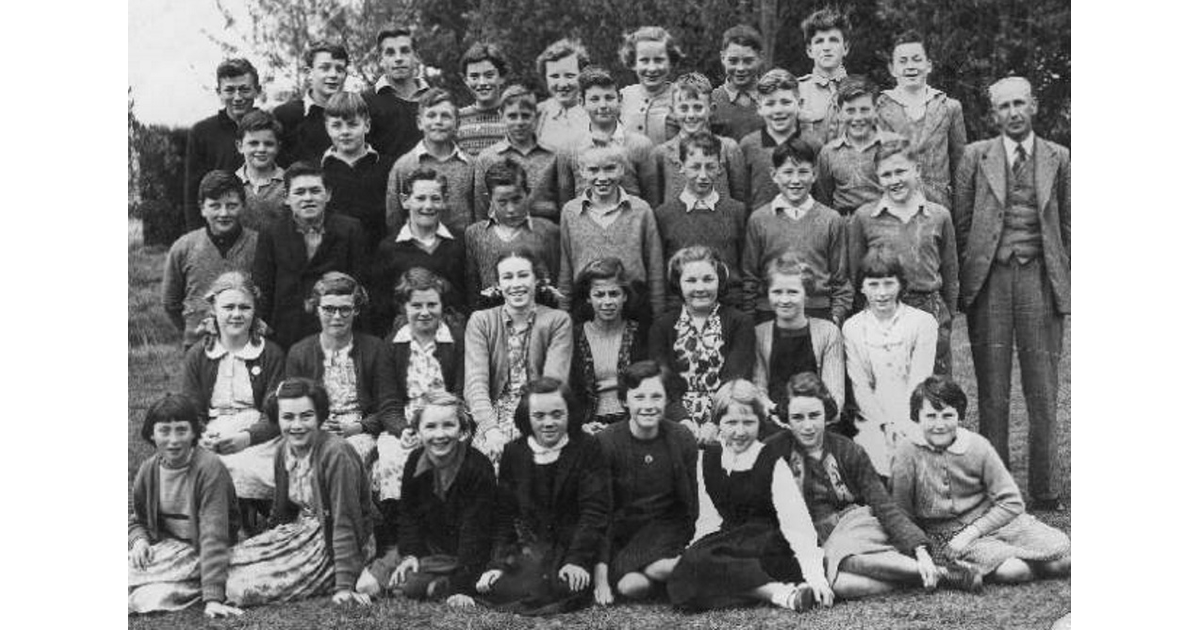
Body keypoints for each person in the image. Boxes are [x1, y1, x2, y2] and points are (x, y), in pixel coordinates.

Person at [952, 76, 1070, 511]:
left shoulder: (1060, 158)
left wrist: (1062, 277)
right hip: (992, 280)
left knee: (1043, 389)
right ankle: (997, 488)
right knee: (993, 388)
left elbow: (1070, 225)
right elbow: (964, 225)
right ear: (993, 114)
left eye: (1020, 103)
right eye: (1004, 106)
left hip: (1039, 278)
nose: (1013, 112)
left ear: (1034, 106)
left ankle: (1045, 488)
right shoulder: (974, 156)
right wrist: (975, 275)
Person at [767, 373, 984, 599]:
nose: (808, 426)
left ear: (827, 415)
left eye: (814, 415)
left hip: (857, 524)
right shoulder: (773, 453)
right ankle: (929, 577)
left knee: (844, 555)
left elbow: (883, 504)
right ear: (786, 418)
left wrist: (919, 549)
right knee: (840, 585)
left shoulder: (847, 450)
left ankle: (938, 572)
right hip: (816, 538)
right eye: (798, 418)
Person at [666, 380, 831, 612]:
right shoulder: (711, 458)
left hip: (772, 543)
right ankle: (781, 594)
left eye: (748, 422)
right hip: (732, 539)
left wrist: (816, 577)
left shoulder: (770, 460)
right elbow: (706, 519)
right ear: (718, 423)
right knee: (689, 570)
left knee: (703, 566)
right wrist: (698, 550)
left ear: (760, 423)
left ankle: (775, 591)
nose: (740, 431)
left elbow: (798, 523)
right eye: (731, 422)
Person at [892, 376, 1071, 583]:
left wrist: (972, 532)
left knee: (1062, 553)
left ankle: (1025, 561)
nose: (939, 425)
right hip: (949, 537)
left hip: (995, 524)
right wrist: (921, 551)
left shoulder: (976, 446)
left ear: (959, 416)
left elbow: (1011, 502)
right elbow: (902, 514)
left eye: (947, 416)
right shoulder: (907, 452)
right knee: (1013, 571)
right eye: (931, 416)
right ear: (917, 417)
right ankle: (1008, 563)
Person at [225, 378, 380, 606]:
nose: (296, 425)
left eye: (306, 416)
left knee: (240, 589)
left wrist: (344, 585)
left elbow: (345, 521)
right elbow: (282, 511)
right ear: (277, 420)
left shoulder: (336, 454)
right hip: (299, 533)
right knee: (224, 563)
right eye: (288, 417)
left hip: (338, 544)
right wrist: (271, 545)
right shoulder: (284, 450)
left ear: (320, 416)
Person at [475, 378, 610, 615]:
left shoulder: (588, 447)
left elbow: (594, 512)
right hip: (530, 548)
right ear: (527, 416)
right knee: (497, 585)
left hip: (574, 547)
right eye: (539, 416)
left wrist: (576, 560)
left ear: (570, 413)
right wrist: (497, 564)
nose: (548, 423)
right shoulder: (513, 452)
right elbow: (504, 516)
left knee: (565, 584)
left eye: (557, 414)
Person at [366, 391, 494, 607]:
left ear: (462, 430)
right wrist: (411, 555)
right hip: (428, 548)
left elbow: (476, 533)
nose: (439, 434)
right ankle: (429, 583)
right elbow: (408, 515)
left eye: (448, 425)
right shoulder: (415, 461)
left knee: (408, 587)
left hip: (465, 554)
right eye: (430, 427)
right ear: (418, 431)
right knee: (366, 586)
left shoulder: (477, 467)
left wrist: (463, 588)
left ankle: (445, 584)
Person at [849, 139, 958, 376]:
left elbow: (950, 274)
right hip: (883, 311)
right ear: (878, 177)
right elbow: (855, 276)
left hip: (929, 310)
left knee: (933, 389)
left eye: (901, 171)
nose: (895, 180)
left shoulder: (938, 216)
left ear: (917, 169)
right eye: (886, 174)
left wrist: (945, 315)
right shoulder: (864, 218)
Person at [128, 393, 243, 618]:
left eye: (181, 430)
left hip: (201, 550)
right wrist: (139, 541)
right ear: (151, 433)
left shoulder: (209, 468)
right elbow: (137, 521)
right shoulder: (148, 470)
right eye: (164, 431)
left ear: (194, 433)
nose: (173, 440)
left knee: (140, 588)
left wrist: (213, 598)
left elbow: (214, 535)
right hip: (167, 545)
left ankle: (200, 587)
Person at [593, 361, 698, 604]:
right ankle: (682, 580)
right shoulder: (606, 443)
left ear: (666, 400)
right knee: (632, 587)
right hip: (623, 535)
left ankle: (697, 572)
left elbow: (689, 506)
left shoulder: (682, 438)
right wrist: (600, 578)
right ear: (624, 401)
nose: (648, 405)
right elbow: (600, 513)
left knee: (661, 567)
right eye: (639, 397)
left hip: (665, 531)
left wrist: (678, 539)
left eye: (656, 397)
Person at [181, 271, 285, 510]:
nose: (236, 314)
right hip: (213, 432)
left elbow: (276, 414)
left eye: (244, 308)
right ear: (214, 309)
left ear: (254, 311)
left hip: (259, 434)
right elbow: (190, 411)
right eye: (228, 307)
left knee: (249, 467)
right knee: (196, 467)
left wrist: (246, 438)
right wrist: (201, 434)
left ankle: (253, 523)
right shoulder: (198, 355)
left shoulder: (271, 354)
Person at [465, 248, 573, 464]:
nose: (516, 284)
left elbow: (553, 383)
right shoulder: (481, 321)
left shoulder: (558, 321)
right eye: (507, 277)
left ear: (537, 280)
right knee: (485, 463)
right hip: (494, 414)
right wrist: (490, 429)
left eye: (523, 275)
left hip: (541, 412)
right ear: (498, 285)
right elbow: (475, 384)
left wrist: (533, 428)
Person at [374, 268, 465, 521]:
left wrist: (450, 421)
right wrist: (402, 429)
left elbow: (460, 390)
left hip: (449, 416)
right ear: (404, 307)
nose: (425, 312)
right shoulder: (392, 344)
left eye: (432, 304)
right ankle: (402, 528)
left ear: (442, 305)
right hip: (408, 422)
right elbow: (389, 402)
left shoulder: (457, 340)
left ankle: (448, 525)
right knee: (393, 459)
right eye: (416, 305)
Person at [284, 272, 401, 464]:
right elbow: (291, 405)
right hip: (312, 431)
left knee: (340, 456)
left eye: (345, 309)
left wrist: (355, 428)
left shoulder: (375, 349)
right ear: (317, 309)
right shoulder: (300, 352)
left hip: (359, 433)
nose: (337, 317)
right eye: (329, 309)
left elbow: (388, 407)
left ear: (356, 310)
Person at [252, 162, 368, 350]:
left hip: (336, 329)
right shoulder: (272, 232)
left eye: (315, 191)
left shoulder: (350, 229)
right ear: (287, 198)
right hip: (287, 332)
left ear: (328, 194)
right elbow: (263, 285)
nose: (308, 198)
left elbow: (360, 284)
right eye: (299, 192)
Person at [841, 248, 937, 477]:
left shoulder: (922, 323)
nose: (881, 293)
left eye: (888, 284)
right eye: (873, 285)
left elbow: (919, 380)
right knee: (875, 463)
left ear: (901, 285)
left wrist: (904, 425)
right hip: (873, 417)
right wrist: (884, 424)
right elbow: (860, 386)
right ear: (862, 287)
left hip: (915, 413)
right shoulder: (852, 328)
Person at [742, 138, 853, 325]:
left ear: (815, 174)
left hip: (818, 313)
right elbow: (750, 278)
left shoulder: (831, 220)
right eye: (787, 172)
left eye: (803, 172)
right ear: (774, 175)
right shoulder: (759, 219)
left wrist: (834, 317)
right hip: (770, 312)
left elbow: (841, 281)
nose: (795, 180)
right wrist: (751, 321)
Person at [649, 246, 754, 439]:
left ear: (719, 280)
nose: (700, 288)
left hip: (729, 416)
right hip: (675, 419)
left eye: (708, 279)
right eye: (690, 280)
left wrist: (716, 423)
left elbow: (735, 379)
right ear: (678, 283)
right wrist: (683, 421)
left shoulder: (740, 323)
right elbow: (663, 382)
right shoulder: (662, 327)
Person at [558, 145, 666, 317]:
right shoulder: (570, 212)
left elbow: (655, 265)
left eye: (610, 168)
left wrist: (658, 313)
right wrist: (563, 313)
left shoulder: (640, 210)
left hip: (633, 305)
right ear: (582, 171)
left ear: (622, 169)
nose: (602, 177)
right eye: (593, 170)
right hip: (588, 305)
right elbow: (566, 267)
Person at [653, 131, 747, 313]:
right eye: (695, 167)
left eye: (710, 167)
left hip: (729, 308)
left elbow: (747, 269)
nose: (703, 175)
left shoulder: (737, 212)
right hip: (680, 309)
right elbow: (661, 273)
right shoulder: (663, 215)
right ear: (681, 167)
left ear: (720, 168)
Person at [163, 170, 259, 348]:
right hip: (200, 345)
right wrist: (193, 329)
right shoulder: (183, 248)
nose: (224, 213)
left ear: (243, 205)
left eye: (231, 205)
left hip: (249, 343)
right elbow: (171, 303)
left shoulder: (259, 245)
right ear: (202, 208)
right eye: (215, 206)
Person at [875, 30, 967, 208]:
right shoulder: (880, 108)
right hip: (895, 206)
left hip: (938, 206)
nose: (910, 66)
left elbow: (960, 167)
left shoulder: (949, 107)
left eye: (917, 60)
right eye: (903, 61)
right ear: (892, 69)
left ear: (929, 65)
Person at [371, 167, 468, 333]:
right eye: (420, 198)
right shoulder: (389, 248)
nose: (428, 206)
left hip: (453, 337)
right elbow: (381, 308)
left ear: (445, 201)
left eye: (435, 199)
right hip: (405, 337)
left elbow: (468, 297)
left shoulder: (459, 242)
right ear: (405, 200)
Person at [752, 252, 845, 415]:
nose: (784, 300)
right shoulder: (759, 334)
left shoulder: (828, 332)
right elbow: (759, 390)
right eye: (777, 292)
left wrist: (811, 419)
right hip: (773, 419)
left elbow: (834, 394)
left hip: (818, 420)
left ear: (807, 295)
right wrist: (775, 413)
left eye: (793, 292)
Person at [465, 157, 561, 311]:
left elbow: (556, 281)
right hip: (493, 323)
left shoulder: (548, 231)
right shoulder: (475, 234)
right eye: (502, 202)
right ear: (490, 199)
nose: (511, 209)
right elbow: (473, 290)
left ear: (527, 193)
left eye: (517, 200)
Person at [568, 258, 649, 431]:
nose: (607, 302)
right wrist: (581, 426)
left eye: (614, 294)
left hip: (632, 424)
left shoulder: (640, 334)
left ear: (625, 295)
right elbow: (569, 391)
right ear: (588, 297)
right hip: (588, 424)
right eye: (599, 294)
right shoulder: (573, 337)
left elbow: (647, 385)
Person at [556, 66, 657, 202]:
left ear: (620, 99)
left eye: (609, 98)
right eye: (594, 99)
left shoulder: (641, 145)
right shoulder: (568, 148)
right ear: (582, 102)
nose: (603, 105)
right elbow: (565, 201)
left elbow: (652, 200)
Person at [184, 58, 261, 230]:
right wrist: (198, 239)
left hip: (263, 228)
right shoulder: (202, 132)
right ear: (219, 93)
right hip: (220, 228)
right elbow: (193, 194)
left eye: (244, 89)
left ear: (257, 90)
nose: (237, 97)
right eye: (230, 90)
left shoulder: (272, 128)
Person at [386, 88, 477, 233]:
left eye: (445, 116)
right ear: (419, 122)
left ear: (457, 124)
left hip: (463, 251)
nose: (438, 122)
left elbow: (480, 214)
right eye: (431, 115)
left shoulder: (471, 165)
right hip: (418, 251)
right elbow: (394, 218)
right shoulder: (404, 166)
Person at [650, 74, 748, 206]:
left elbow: (740, 200)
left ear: (711, 109)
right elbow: (656, 204)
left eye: (698, 107)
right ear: (673, 111)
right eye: (683, 108)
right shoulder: (661, 154)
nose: (691, 115)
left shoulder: (728, 148)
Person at [473, 85, 564, 223]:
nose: (519, 122)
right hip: (503, 231)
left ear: (536, 116)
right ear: (501, 116)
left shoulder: (554, 156)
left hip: (545, 231)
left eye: (526, 116)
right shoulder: (488, 157)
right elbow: (481, 207)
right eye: (512, 116)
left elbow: (564, 203)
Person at [814, 76, 903, 217]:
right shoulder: (828, 153)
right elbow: (824, 200)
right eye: (850, 111)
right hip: (845, 228)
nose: (858, 118)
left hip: (885, 226)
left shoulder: (895, 146)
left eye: (864, 110)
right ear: (839, 113)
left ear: (876, 110)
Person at [738, 68, 822, 211]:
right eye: (770, 104)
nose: (778, 110)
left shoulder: (814, 145)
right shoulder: (748, 145)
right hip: (760, 228)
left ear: (799, 104)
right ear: (759, 108)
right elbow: (741, 196)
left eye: (785, 102)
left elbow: (821, 197)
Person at [322, 90, 396, 249]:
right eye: (336, 125)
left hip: (378, 257)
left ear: (367, 125)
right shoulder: (317, 170)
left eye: (352, 124)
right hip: (333, 260)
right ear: (327, 128)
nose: (345, 132)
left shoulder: (389, 168)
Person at [274, 41, 350, 166]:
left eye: (339, 69)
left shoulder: (356, 115)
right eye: (325, 68)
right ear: (309, 73)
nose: (333, 75)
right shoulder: (285, 115)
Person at [364, 26, 424, 159]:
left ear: (416, 57)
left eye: (405, 51)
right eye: (390, 53)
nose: (398, 58)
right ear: (381, 61)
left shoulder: (435, 99)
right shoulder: (363, 102)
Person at [796, 7, 853, 145]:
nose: (826, 47)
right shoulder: (796, 91)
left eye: (833, 40)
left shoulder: (861, 93)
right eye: (819, 41)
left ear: (845, 48)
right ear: (809, 50)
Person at [618, 26, 682, 145]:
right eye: (644, 60)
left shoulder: (682, 98)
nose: (652, 68)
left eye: (659, 60)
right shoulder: (623, 97)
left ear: (670, 62)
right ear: (633, 63)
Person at [234, 110, 288, 232]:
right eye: (253, 143)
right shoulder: (229, 184)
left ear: (278, 146)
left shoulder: (290, 184)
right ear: (240, 146)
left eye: (268, 144)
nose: (261, 149)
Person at [710, 25, 765, 142]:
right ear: (723, 58)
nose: (740, 68)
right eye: (733, 61)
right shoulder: (712, 102)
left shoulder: (773, 99)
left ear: (760, 58)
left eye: (748, 61)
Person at [534, 38, 591, 152]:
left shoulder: (596, 112)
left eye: (569, 76)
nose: (562, 84)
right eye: (554, 76)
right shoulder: (537, 113)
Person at [457, 42, 511, 156]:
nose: (482, 83)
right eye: (474, 77)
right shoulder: (457, 119)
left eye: (489, 75)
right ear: (465, 80)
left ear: (502, 77)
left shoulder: (517, 117)